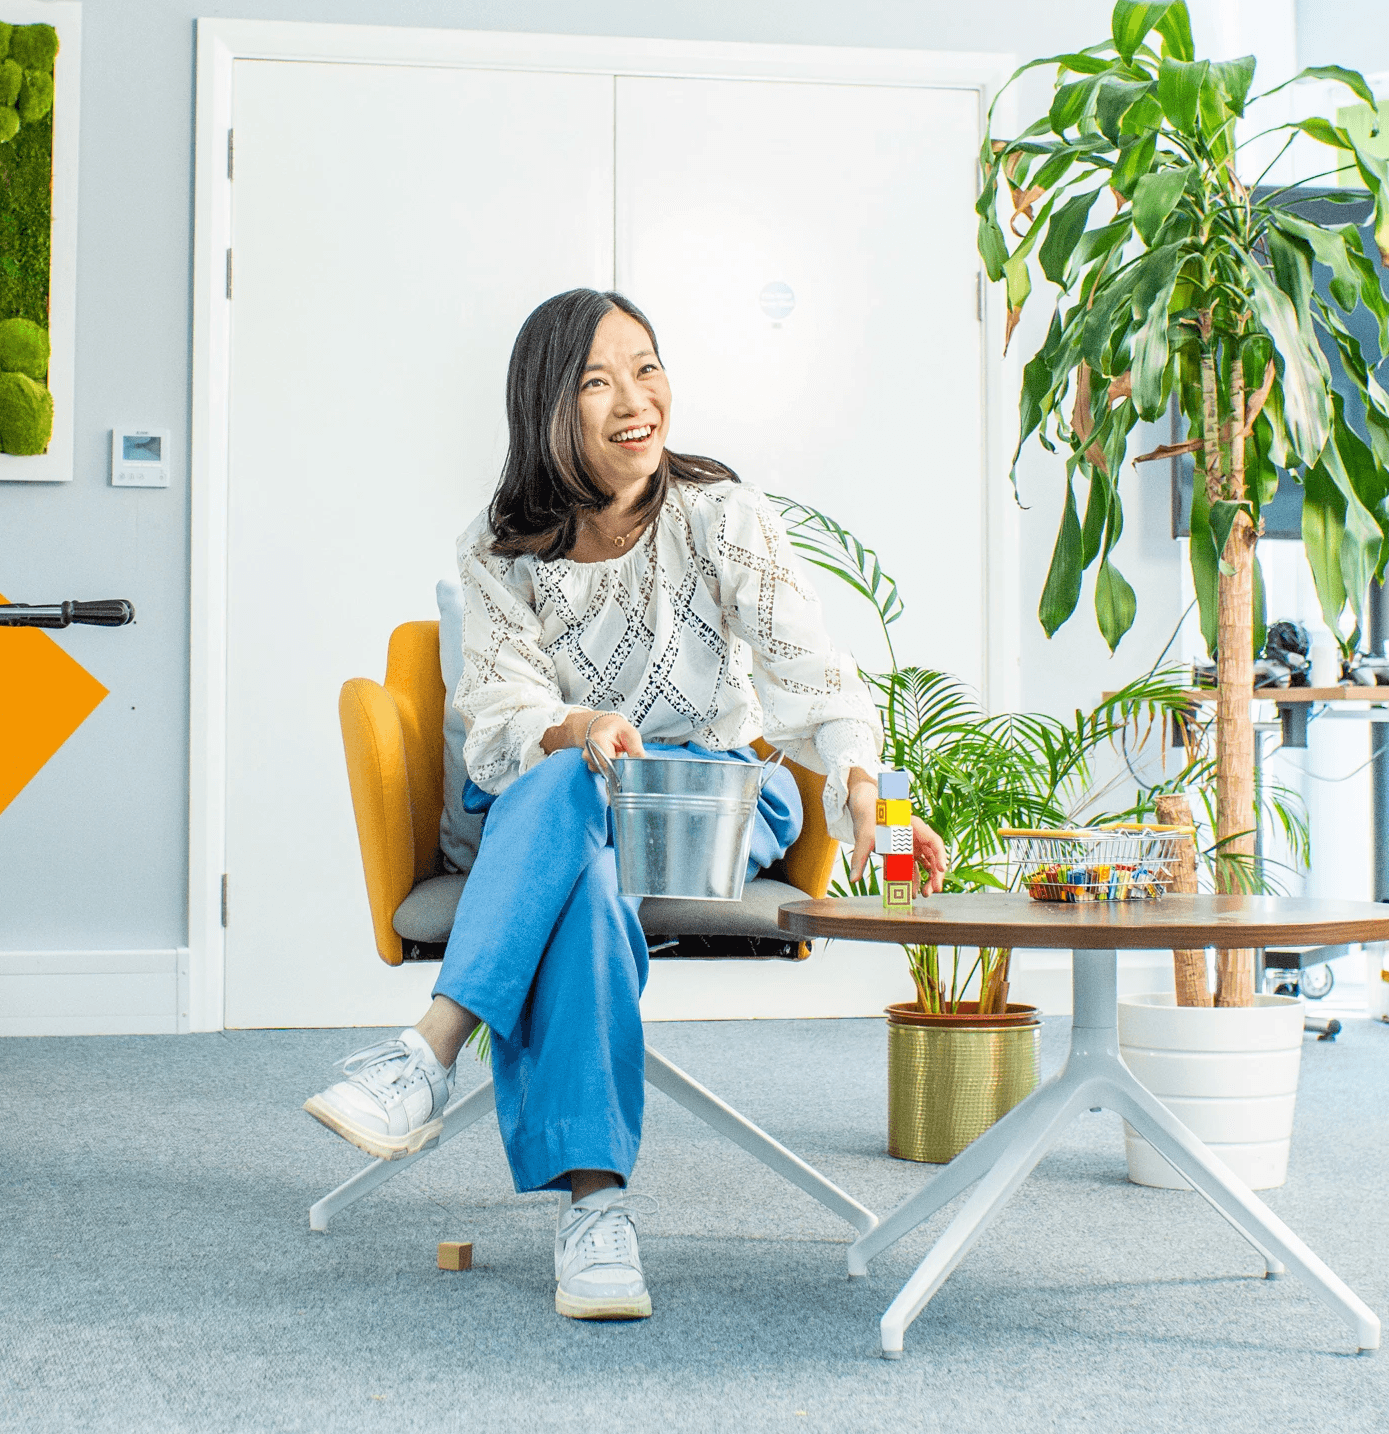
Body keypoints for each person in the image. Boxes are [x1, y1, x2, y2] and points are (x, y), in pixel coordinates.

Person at [303, 289, 946, 1321]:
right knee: (582, 857)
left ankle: (428, 1050)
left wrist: (867, 789)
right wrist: (573, 726)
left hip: (712, 796)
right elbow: (506, 705)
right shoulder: (498, 549)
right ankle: (597, 1213)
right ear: (548, 407)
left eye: (646, 368)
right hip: (564, 798)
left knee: (576, 805)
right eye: (598, 380)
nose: (634, 400)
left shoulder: (719, 516)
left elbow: (811, 675)